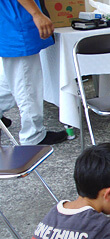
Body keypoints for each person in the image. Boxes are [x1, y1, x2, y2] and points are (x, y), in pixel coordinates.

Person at [0, 0, 68, 145]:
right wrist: (36, 13)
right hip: (17, 22)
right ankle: (32, 136)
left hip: (10, 20)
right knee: (27, 84)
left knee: (14, 78)